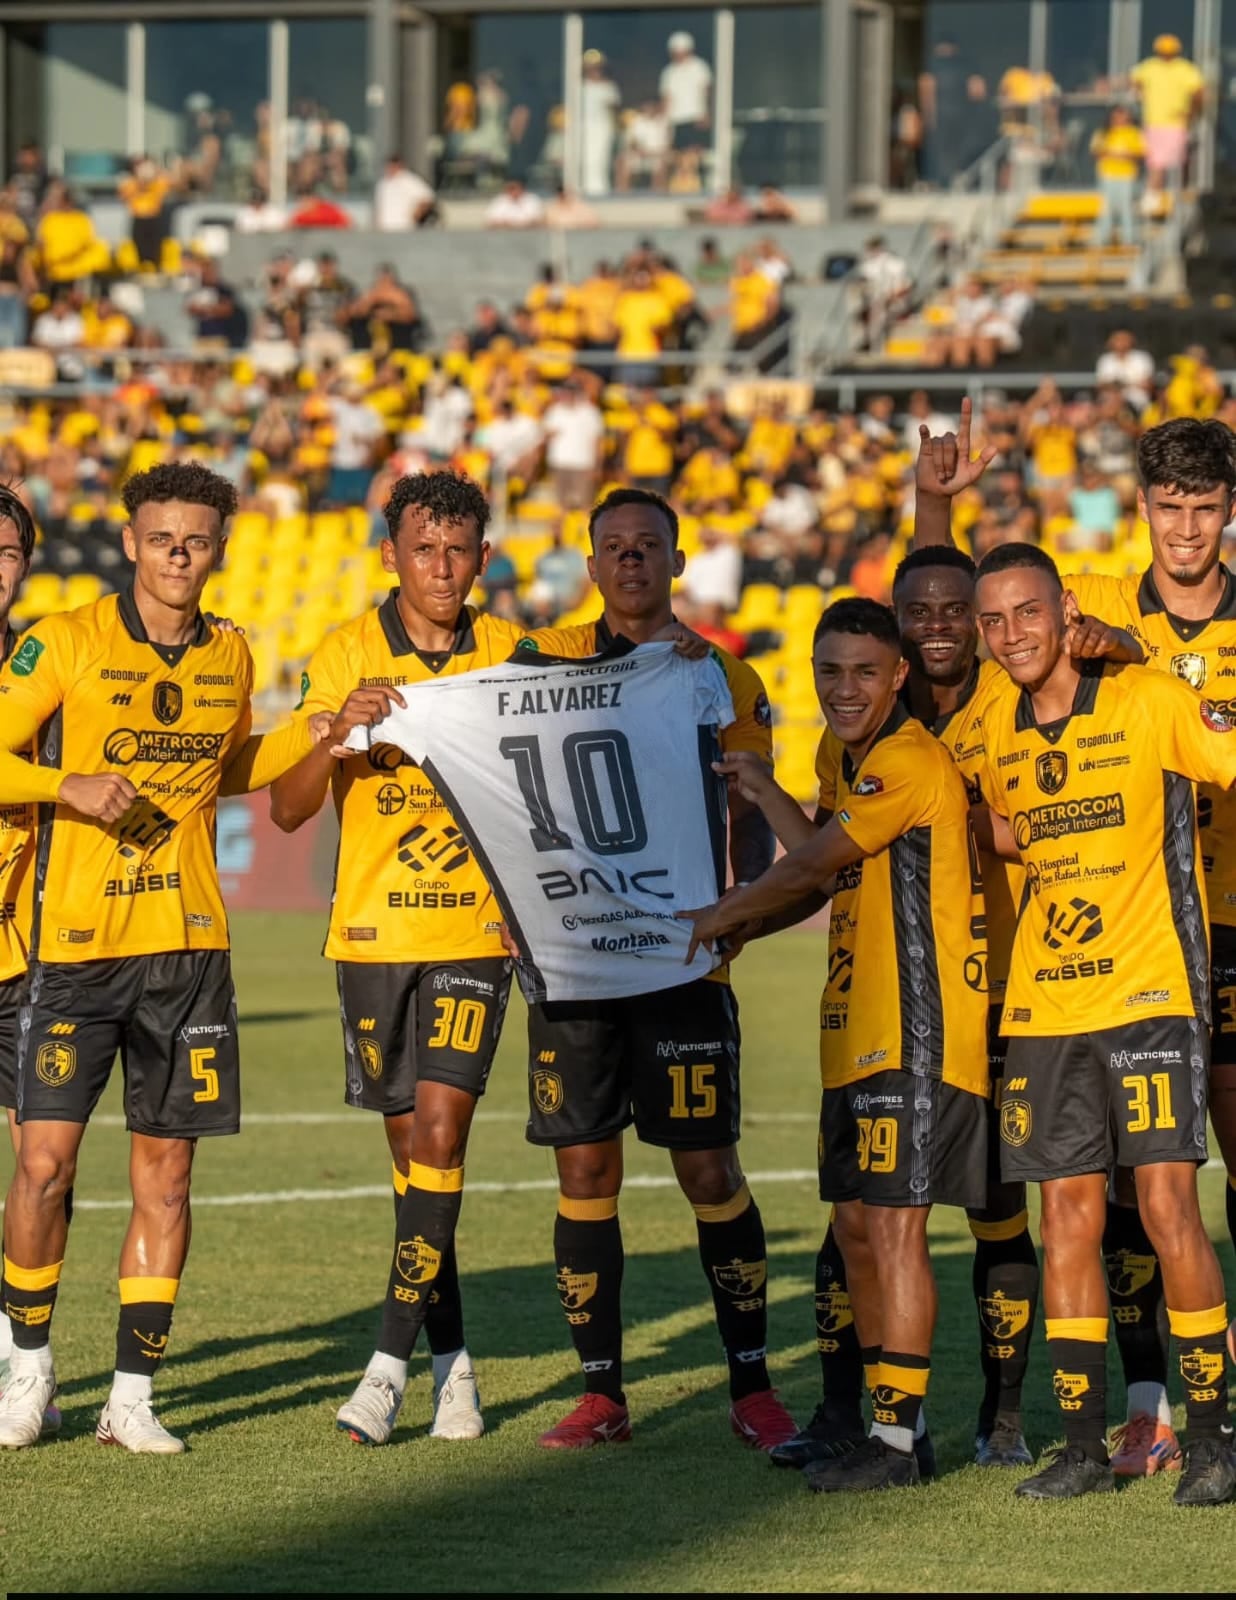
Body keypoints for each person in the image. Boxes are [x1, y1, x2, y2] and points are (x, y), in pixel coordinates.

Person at [916, 411, 1236, 1481]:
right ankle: (1092, 1438)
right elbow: (992, 811)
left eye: (1030, 615)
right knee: (1072, 1217)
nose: (1013, 632)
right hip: (1051, 999)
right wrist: (934, 503)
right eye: (996, 621)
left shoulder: (1146, 693)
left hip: (1160, 976)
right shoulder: (1003, 712)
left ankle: (1209, 1432)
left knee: (1171, 1204)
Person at [0, 461, 322, 1453]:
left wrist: (316, 732)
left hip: (188, 954)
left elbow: (232, 765)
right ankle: (28, 1370)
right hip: (74, 950)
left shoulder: (232, 652)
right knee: (42, 1167)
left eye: (196, 540)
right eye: (161, 539)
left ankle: (131, 1398)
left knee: (168, 1179)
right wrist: (64, 785)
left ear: (219, 548)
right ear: (130, 543)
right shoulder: (66, 640)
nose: (179, 556)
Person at [679, 597, 991, 1493]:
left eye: (864, 671)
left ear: (898, 676)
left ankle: (895, 1443)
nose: (844, 688)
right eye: (829, 671)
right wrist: (750, 908)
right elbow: (824, 874)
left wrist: (715, 917)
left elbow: (814, 864)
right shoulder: (841, 756)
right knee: (855, 1230)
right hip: (852, 1027)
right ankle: (894, 1427)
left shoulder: (908, 759)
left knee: (893, 1231)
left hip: (917, 1030)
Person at [516, 486, 796, 1454]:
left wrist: (740, 909)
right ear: (591, 564)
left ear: (677, 561)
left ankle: (752, 1388)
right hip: (576, 961)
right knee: (585, 1166)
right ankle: (602, 1396)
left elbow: (748, 807)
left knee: (708, 1167)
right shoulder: (541, 661)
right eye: (614, 546)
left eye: (648, 545)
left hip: (681, 959)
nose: (631, 559)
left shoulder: (721, 677)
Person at [270, 472, 527, 1447]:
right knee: (417, 1170)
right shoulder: (345, 652)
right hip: (372, 937)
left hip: (474, 936)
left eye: (458, 551)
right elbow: (288, 806)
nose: (442, 569)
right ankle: (453, 1369)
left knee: (441, 1140)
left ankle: (383, 1372)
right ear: (392, 555)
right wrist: (338, 734)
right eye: (424, 549)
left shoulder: (511, 654)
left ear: (483, 558)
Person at [0, 486, 58, 1438]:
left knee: (40, 1161)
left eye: (6, 552)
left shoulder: (49, 659)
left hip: (24, 953)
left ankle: (22, 1360)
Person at [1130, 34, 1204, 200]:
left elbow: (1199, 92)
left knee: (1176, 160)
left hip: (1176, 122)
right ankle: (1155, 194)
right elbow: (1135, 81)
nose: (1166, 56)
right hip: (1153, 121)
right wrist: (1141, 94)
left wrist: (1192, 113)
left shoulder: (1185, 68)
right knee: (1156, 161)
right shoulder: (1150, 66)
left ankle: (1175, 193)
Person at [660, 31, 713, 191]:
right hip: (676, 119)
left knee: (694, 154)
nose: (678, 55)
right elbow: (667, 98)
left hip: (696, 117)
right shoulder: (669, 72)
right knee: (677, 156)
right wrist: (665, 121)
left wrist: (706, 113)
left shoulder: (699, 67)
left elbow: (707, 91)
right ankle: (680, 187)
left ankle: (695, 186)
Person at [541, 381, 605, 510]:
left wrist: (597, 465)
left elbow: (598, 441)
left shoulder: (590, 412)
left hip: (583, 464)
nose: (566, 396)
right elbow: (545, 435)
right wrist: (549, 434)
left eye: (569, 393)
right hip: (559, 463)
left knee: (586, 504)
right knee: (561, 505)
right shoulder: (555, 411)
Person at [1091, 106, 1146, 249]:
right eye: (1117, 116)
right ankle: (1101, 239)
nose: (1120, 120)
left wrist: (1120, 155)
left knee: (1127, 208)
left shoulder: (1134, 133)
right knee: (1106, 209)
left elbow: (1140, 153)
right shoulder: (1103, 133)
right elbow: (1097, 152)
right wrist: (1117, 155)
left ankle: (1129, 239)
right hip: (1107, 175)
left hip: (1127, 176)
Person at [118, 157, 174, 272]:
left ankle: (156, 268)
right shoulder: (130, 183)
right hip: (138, 220)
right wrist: (140, 183)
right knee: (137, 249)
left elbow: (173, 184)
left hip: (154, 220)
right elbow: (123, 195)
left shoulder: (159, 182)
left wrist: (157, 173)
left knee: (156, 250)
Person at [580, 50, 621, 197]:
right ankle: (584, 189)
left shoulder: (608, 86)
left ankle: (600, 191)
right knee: (584, 160)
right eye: (590, 67)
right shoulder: (579, 86)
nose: (594, 70)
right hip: (583, 127)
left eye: (596, 67)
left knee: (600, 159)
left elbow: (614, 109)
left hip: (602, 127)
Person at [373, 154, 437, 231]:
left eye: (393, 166)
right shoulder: (383, 183)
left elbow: (428, 197)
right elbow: (380, 207)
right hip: (386, 228)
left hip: (405, 227)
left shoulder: (409, 180)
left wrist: (416, 215)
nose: (390, 169)